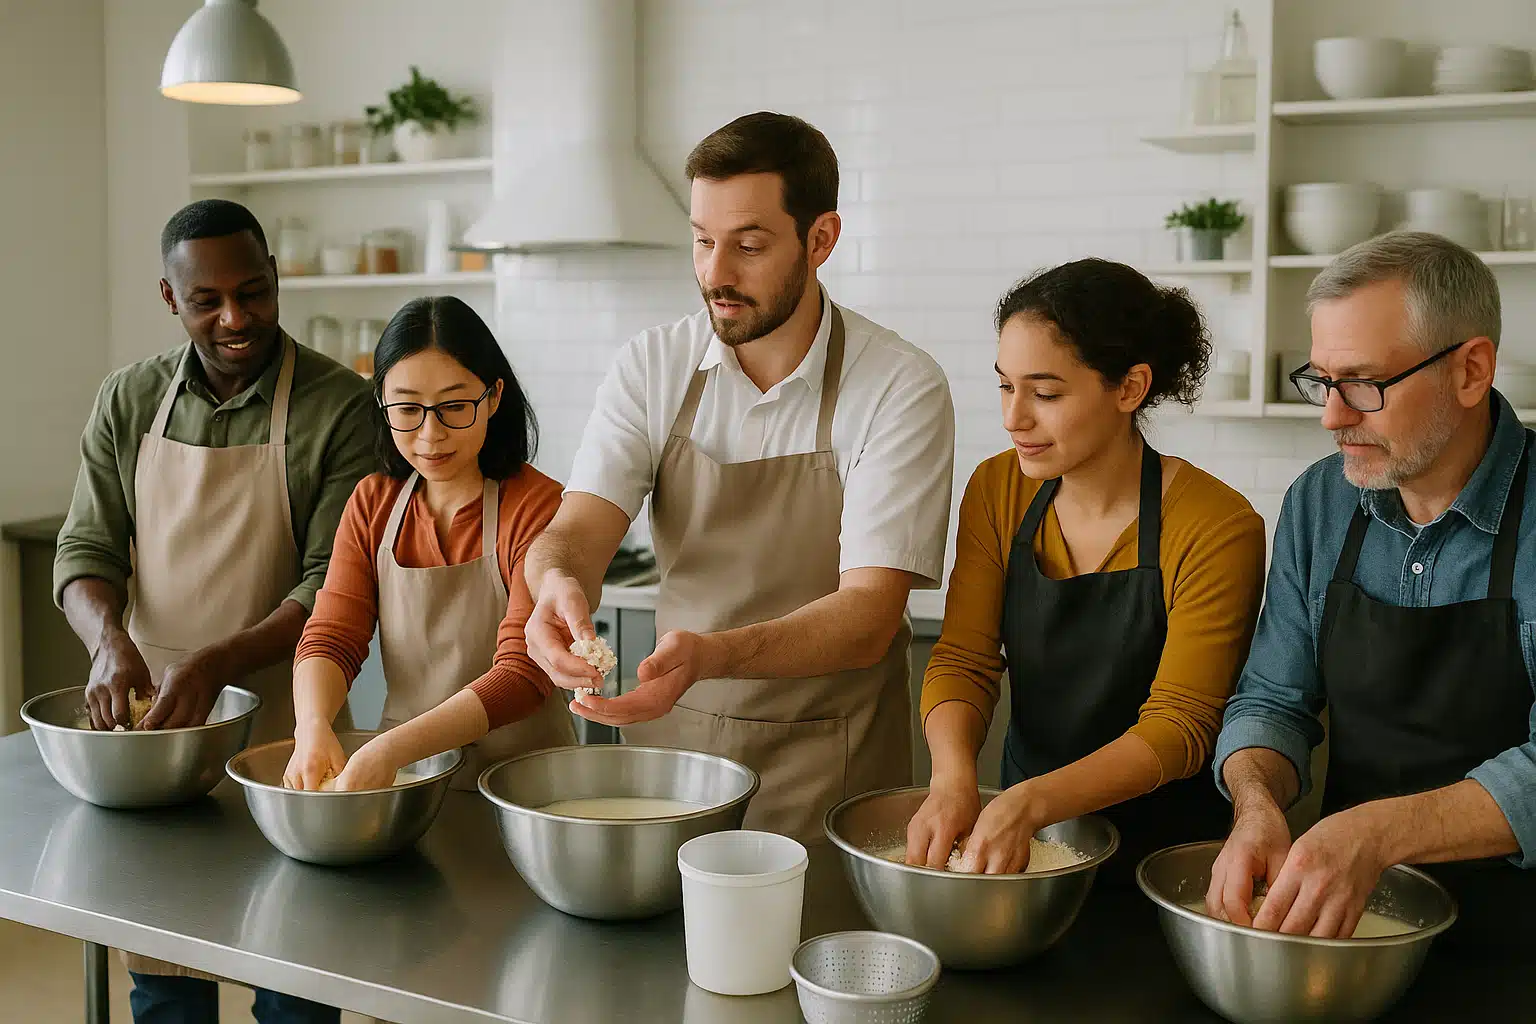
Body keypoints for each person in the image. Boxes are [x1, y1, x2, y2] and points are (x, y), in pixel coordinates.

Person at [522, 112, 956, 842]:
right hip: (673, 762)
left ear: (821, 239)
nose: (716, 274)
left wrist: (712, 654)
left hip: (833, 768)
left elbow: (869, 618)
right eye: (702, 241)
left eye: (749, 245)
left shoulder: (897, 384)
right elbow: (575, 531)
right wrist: (555, 585)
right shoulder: (652, 366)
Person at [54, 199, 371, 1022]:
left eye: (254, 290)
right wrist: (107, 641)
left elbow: (329, 587)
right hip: (155, 737)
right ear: (170, 298)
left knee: (296, 983)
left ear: (276, 277)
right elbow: (85, 552)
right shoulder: (129, 400)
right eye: (208, 300)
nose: (236, 317)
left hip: (292, 732)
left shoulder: (338, 406)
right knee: (167, 990)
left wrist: (219, 664)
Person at [1207, 232, 1535, 949]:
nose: (1331, 416)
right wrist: (1256, 804)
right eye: (1321, 381)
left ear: (1471, 370)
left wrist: (1381, 832)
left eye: (1362, 384)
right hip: (1354, 926)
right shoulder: (1320, 503)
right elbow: (1272, 701)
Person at [905, 260, 1266, 877]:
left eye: (1045, 394)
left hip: (1165, 859)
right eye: (1004, 385)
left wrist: (1031, 802)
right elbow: (964, 659)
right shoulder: (998, 490)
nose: (1014, 417)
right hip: (1025, 843)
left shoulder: (1216, 524)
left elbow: (1180, 725)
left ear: (1129, 388)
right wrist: (952, 779)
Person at [285, 296, 574, 792]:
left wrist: (393, 747)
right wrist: (311, 724)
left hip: (527, 790)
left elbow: (525, 671)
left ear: (494, 396)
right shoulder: (372, 502)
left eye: (455, 406)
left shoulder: (537, 505)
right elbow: (333, 635)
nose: (430, 433)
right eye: (407, 408)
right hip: (407, 784)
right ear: (381, 404)